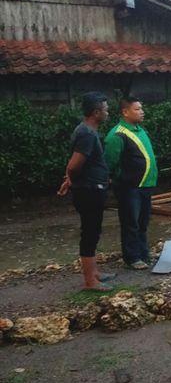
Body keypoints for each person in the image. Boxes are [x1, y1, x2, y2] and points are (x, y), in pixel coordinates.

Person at [58, 92, 116, 291]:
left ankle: (95, 273)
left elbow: (74, 166)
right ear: (96, 112)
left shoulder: (87, 131)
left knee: (94, 230)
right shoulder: (87, 134)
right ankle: (90, 281)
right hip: (89, 191)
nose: (108, 113)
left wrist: (68, 179)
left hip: (91, 188)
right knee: (90, 232)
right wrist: (71, 177)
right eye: (105, 110)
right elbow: (74, 164)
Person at [104, 97, 158, 270]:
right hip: (130, 187)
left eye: (141, 108)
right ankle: (132, 257)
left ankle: (143, 253)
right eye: (137, 109)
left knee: (143, 222)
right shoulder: (118, 134)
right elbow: (109, 162)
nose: (142, 112)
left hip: (145, 185)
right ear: (125, 112)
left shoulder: (140, 131)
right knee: (130, 222)